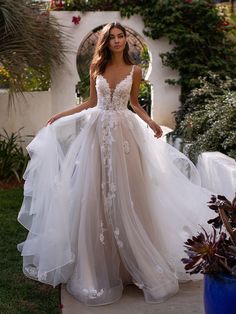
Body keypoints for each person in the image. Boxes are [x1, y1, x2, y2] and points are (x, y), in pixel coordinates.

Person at [17, 22, 212, 306]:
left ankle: (135, 265)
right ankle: (96, 267)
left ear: (126, 41)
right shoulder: (97, 68)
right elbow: (90, 103)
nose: (118, 41)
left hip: (124, 137)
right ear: (105, 42)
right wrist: (60, 115)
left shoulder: (134, 71)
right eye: (113, 37)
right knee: (94, 194)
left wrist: (150, 122)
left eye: (121, 37)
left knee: (128, 194)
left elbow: (134, 103)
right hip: (95, 137)